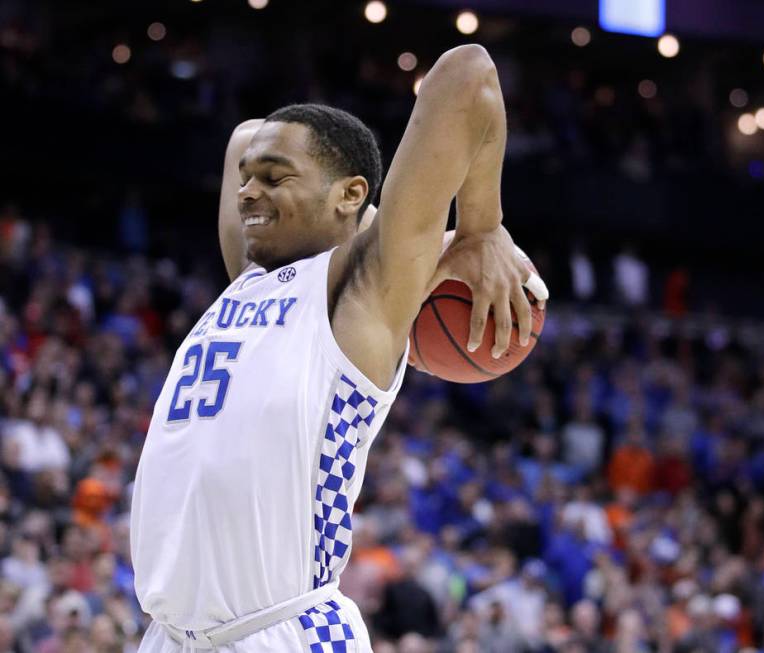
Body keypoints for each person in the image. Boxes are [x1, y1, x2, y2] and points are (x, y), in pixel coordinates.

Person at [130, 44, 547, 652]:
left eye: (274, 179)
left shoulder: (361, 299)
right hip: (170, 637)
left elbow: (470, 73)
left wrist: (481, 225)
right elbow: (244, 136)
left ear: (350, 195)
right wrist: (291, 172)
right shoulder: (246, 276)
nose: (247, 192)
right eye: (249, 179)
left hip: (280, 634)